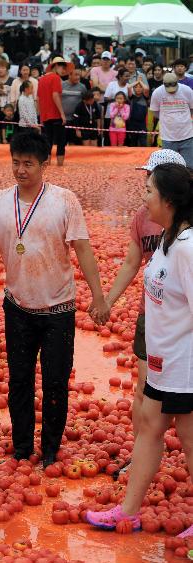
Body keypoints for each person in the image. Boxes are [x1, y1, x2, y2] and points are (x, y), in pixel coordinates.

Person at [0, 131, 109, 468]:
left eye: (28, 164)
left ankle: (49, 450)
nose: (20, 170)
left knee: (55, 382)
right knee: (18, 380)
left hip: (58, 310)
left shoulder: (64, 201)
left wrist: (99, 295)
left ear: (43, 164)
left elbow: (83, 249)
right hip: (17, 307)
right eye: (16, 162)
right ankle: (21, 448)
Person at [85, 164, 193, 534]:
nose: (143, 197)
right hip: (163, 363)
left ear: (170, 200)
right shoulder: (166, 240)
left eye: (149, 191)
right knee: (148, 428)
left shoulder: (188, 249)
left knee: (191, 443)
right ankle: (128, 510)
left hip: (185, 367)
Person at [104, 149, 187, 480]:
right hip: (150, 316)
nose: (145, 186)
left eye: (152, 181)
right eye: (147, 179)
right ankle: (143, 459)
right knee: (145, 389)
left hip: (182, 322)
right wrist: (107, 300)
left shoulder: (188, 230)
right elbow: (131, 262)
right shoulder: (142, 217)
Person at [150, 73, 193, 166]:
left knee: (189, 166)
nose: (171, 91)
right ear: (163, 83)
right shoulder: (157, 92)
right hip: (168, 137)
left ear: (177, 82)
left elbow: (192, 108)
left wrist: (183, 119)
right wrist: (166, 119)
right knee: (170, 167)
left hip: (187, 135)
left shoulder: (187, 90)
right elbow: (155, 111)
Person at [37, 57, 67, 166]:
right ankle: (60, 166)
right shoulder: (56, 78)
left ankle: (47, 165)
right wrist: (62, 114)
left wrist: (40, 116)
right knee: (61, 141)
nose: (63, 70)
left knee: (47, 142)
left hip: (45, 115)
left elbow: (38, 98)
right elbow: (55, 95)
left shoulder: (41, 79)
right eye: (62, 67)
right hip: (55, 114)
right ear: (56, 66)